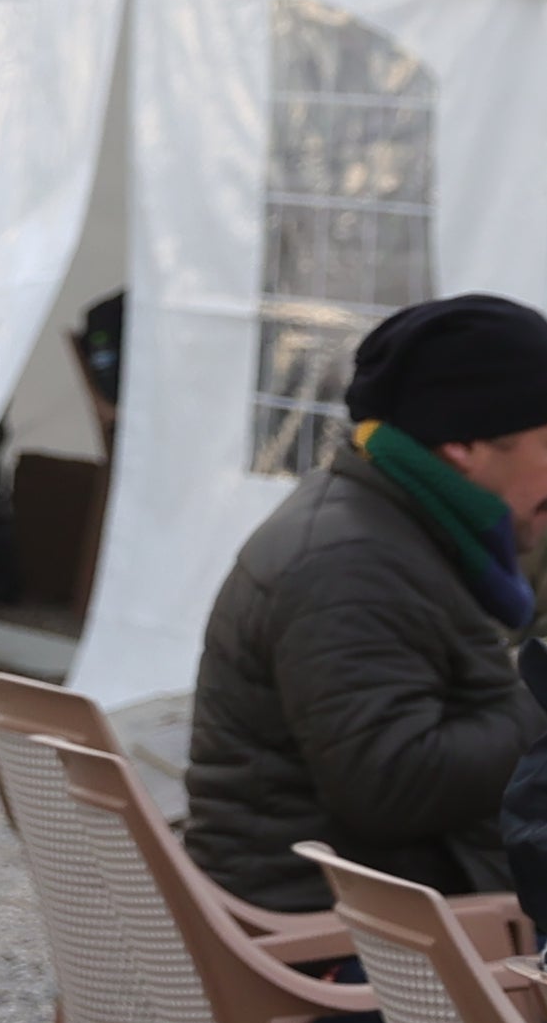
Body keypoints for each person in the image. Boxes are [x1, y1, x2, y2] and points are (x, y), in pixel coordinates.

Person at [186, 293, 547, 964]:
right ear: (463, 445)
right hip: (343, 968)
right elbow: (392, 783)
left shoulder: (397, 520)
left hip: (389, 926)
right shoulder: (349, 564)